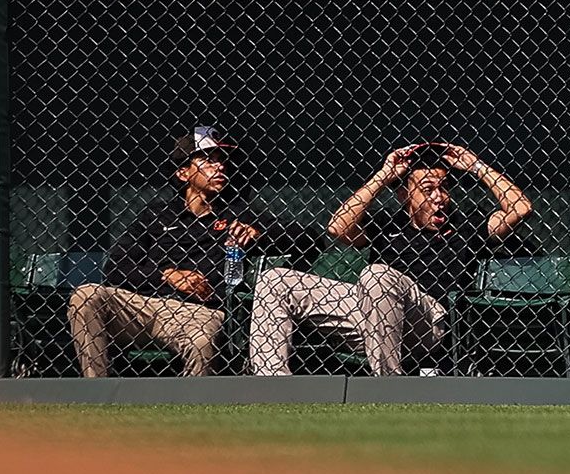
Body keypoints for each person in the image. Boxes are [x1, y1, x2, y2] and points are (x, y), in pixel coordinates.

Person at [251, 142, 534, 376]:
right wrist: (383, 175)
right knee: (274, 279)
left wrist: (475, 165)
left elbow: (520, 209)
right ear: (404, 195)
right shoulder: (388, 223)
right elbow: (338, 228)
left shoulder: (468, 222)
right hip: (368, 314)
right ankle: (272, 384)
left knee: (377, 275)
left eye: (443, 187)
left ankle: (389, 385)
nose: (439, 197)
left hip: (427, 321)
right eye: (427, 189)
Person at [70, 126, 266, 376]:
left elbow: (305, 237)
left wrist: (259, 233)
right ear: (184, 173)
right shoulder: (156, 214)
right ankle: (97, 391)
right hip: (143, 306)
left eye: (220, 161)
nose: (219, 167)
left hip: (198, 312)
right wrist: (168, 275)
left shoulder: (237, 212)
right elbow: (116, 269)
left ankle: (195, 409)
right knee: (86, 295)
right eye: (207, 160)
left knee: (202, 342)